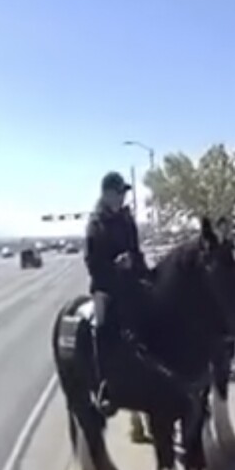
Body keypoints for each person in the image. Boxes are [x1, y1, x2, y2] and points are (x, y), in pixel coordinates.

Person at [84, 171, 150, 410]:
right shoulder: (96, 224)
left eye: (124, 193)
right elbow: (92, 262)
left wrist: (137, 264)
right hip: (106, 287)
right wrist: (114, 266)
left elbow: (137, 251)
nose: (123, 198)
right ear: (107, 194)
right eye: (119, 193)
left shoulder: (126, 220)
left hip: (131, 283)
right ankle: (104, 384)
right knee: (102, 327)